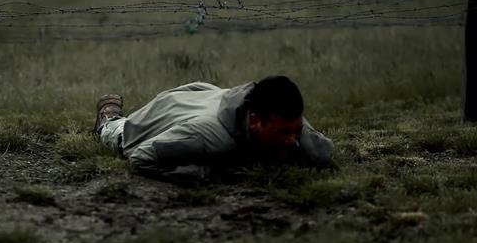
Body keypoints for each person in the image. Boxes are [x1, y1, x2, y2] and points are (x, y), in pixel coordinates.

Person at [93, 76, 334, 183]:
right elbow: (140, 157)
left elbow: (320, 149)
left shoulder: (287, 122)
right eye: (283, 134)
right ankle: (109, 116)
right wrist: (197, 174)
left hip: (206, 95)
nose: (293, 140)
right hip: (164, 114)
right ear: (254, 123)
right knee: (118, 133)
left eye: (296, 131)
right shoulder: (210, 139)